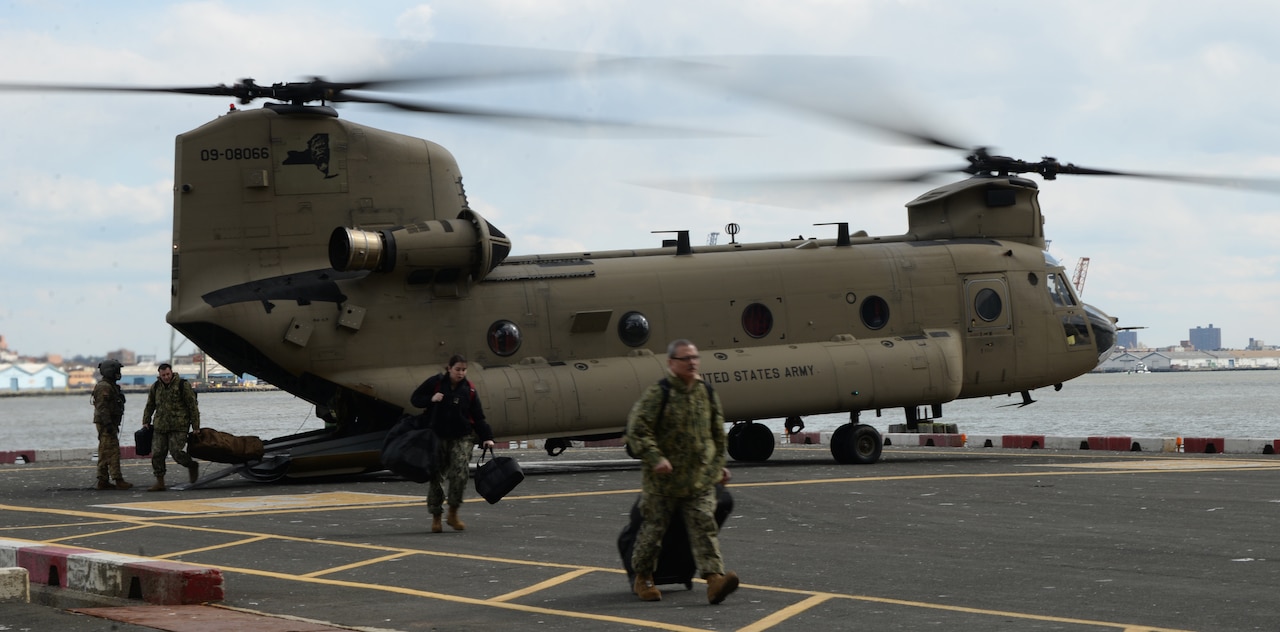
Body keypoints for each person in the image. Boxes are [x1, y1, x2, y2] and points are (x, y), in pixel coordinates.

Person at [626, 339, 738, 605]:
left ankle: (714, 580)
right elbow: (637, 429)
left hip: (698, 480)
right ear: (671, 363)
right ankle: (643, 578)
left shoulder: (706, 391)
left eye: (694, 357)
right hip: (663, 482)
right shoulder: (659, 393)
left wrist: (719, 464)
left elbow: (716, 432)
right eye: (685, 358)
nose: (692, 362)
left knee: (704, 527)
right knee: (653, 532)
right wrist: (655, 458)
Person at [410, 354, 496, 533]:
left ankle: (453, 512)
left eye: (464, 370)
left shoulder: (469, 390)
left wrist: (487, 437)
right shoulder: (435, 383)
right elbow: (415, 399)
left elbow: (478, 416)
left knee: (460, 473)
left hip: (461, 437)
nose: (461, 373)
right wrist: (431, 399)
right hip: (438, 436)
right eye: (458, 369)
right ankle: (436, 516)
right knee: (437, 477)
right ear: (449, 368)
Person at [141, 363, 201, 491]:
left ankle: (191, 465)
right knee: (157, 454)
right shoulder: (156, 387)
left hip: (179, 426)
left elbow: (192, 406)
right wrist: (146, 420)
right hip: (160, 426)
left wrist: (196, 426)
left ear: (172, 372)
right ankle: (160, 482)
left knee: (176, 453)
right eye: (163, 375)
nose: (166, 377)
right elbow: (150, 404)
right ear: (159, 375)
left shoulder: (182, 385)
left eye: (168, 374)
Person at [91, 359, 133, 490]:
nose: (118, 374)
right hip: (106, 423)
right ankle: (117, 479)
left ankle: (102, 480)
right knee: (113, 451)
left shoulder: (110, 385)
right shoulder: (104, 386)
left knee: (104, 451)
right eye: (117, 371)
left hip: (109, 422)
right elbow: (102, 407)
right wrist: (108, 424)